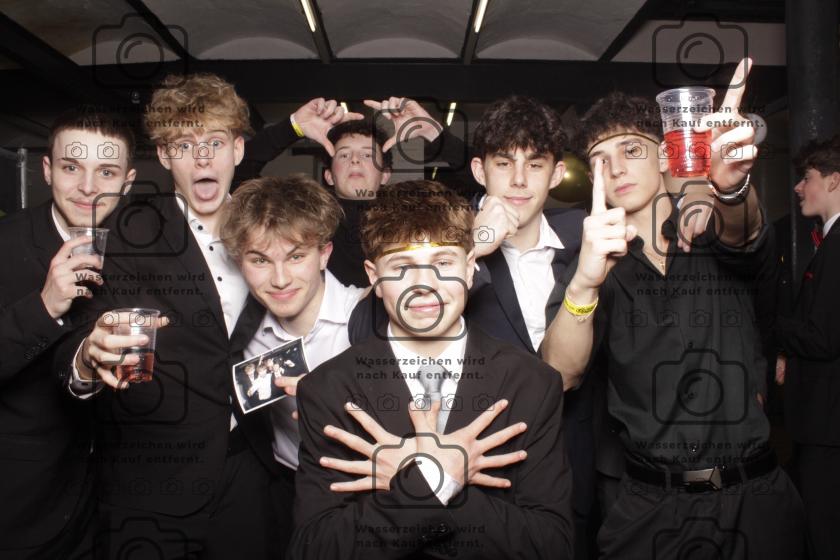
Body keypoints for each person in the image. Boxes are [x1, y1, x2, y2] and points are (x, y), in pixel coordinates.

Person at [541, 59, 806, 559]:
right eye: (600, 159)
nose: (616, 168)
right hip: (649, 507)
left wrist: (730, 187)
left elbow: (744, 232)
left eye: (631, 150)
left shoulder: (710, 227)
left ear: (665, 154)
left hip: (756, 500)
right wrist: (584, 282)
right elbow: (560, 374)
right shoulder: (587, 265)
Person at [55, 73, 279, 558]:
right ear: (163, 156)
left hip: (250, 474)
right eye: (184, 145)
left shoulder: (270, 231)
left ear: (238, 150)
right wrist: (87, 359)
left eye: (214, 142)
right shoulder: (126, 233)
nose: (202, 158)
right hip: (150, 483)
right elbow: (76, 339)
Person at [288, 180, 574, 559]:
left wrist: (428, 483)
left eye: (442, 263)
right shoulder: (327, 390)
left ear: (469, 269)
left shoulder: (532, 383)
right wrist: (432, 481)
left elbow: (551, 546)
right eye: (402, 267)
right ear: (374, 278)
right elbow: (314, 550)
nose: (423, 285)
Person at [462, 94, 595, 558]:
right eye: (504, 163)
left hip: (575, 462)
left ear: (556, 174)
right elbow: (379, 314)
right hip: (479, 471)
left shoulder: (584, 237)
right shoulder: (445, 237)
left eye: (535, 165)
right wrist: (477, 242)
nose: (519, 180)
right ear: (480, 171)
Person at [0, 106, 136, 558]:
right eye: (72, 167)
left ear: (127, 182)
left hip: (108, 503)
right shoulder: (5, 244)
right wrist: (44, 306)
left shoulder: (145, 249)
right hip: (22, 504)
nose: (88, 187)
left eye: (106, 172)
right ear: (46, 170)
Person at [220, 174, 369, 555]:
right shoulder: (242, 335)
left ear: (324, 254)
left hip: (370, 495)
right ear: (240, 262)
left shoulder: (368, 317)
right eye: (260, 260)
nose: (280, 279)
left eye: (296, 256)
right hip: (286, 490)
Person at [233, 96, 468, 287]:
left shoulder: (412, 215)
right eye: (344, 154)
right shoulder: (303, 216)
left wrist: (433, 133)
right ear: (329, 175)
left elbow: (481, 181)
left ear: (385, 174)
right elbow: (233, 175)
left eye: (367, 155)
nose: (355, 160)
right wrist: (292, 127)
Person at [775, 135, 840, 560]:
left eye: (807, 177)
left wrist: (768, 325)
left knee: (824, 533)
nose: (799, 187)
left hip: (828, 425)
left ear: (834, 180)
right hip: (824, 423)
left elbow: (823, 337)